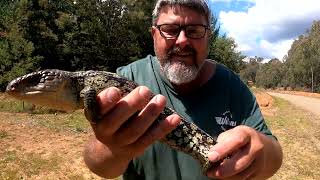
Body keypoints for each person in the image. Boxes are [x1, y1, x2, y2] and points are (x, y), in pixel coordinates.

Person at [83, 0, 283, 179]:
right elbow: (100, 168)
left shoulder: (232, 85)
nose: (182, 41)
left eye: (194, 31)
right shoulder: (127, 78)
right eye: (170, 29)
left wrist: (261, 153)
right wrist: (113, 148)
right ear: (154, 35)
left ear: (208, 37)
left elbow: (274, 156)